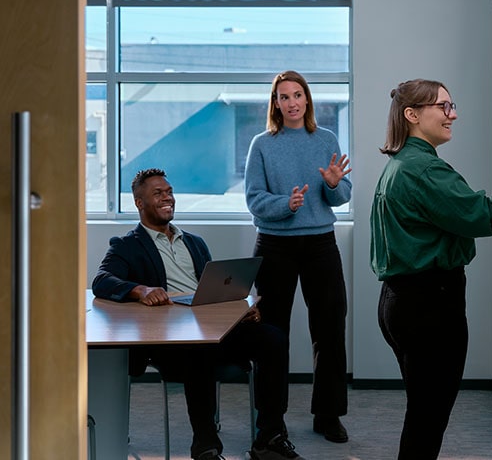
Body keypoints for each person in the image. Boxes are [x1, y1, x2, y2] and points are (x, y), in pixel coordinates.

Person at [369, 78, 492, 459]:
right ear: (412, 115)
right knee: (427, 418)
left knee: (423, 412)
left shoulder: (401, 164)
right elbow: (489, 216)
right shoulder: (425, 171)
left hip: (402, 302)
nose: (454, 115)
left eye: (452, 106)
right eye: (444, 107)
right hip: (429, 308)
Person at [92, 168, 306, 460]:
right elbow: (102, 281)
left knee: (273, 338)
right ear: (139, 203)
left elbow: (214, 291)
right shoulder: (127, 245)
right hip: (171, 341)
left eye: (169, 192)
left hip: (211, 328)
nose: (168, 198)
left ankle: (269, 437)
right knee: (199, 349)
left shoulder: (194, 242)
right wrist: (141, 290)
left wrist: (241, 308)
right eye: (158, 193)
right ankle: (205, 446)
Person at [244, 70, 352, 443]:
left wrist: (335, 185)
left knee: (330, 330)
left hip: (321, 243)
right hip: (275, 246)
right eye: (283, 97)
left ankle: (328, 414)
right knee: (272, 334)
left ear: (307, 100)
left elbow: (341, 194)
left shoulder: (326, 139)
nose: (291, 102)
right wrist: (284, 205)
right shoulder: (262, 143)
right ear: (275, 103)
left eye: (297, 95)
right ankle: (271, 420)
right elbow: (254, 199)